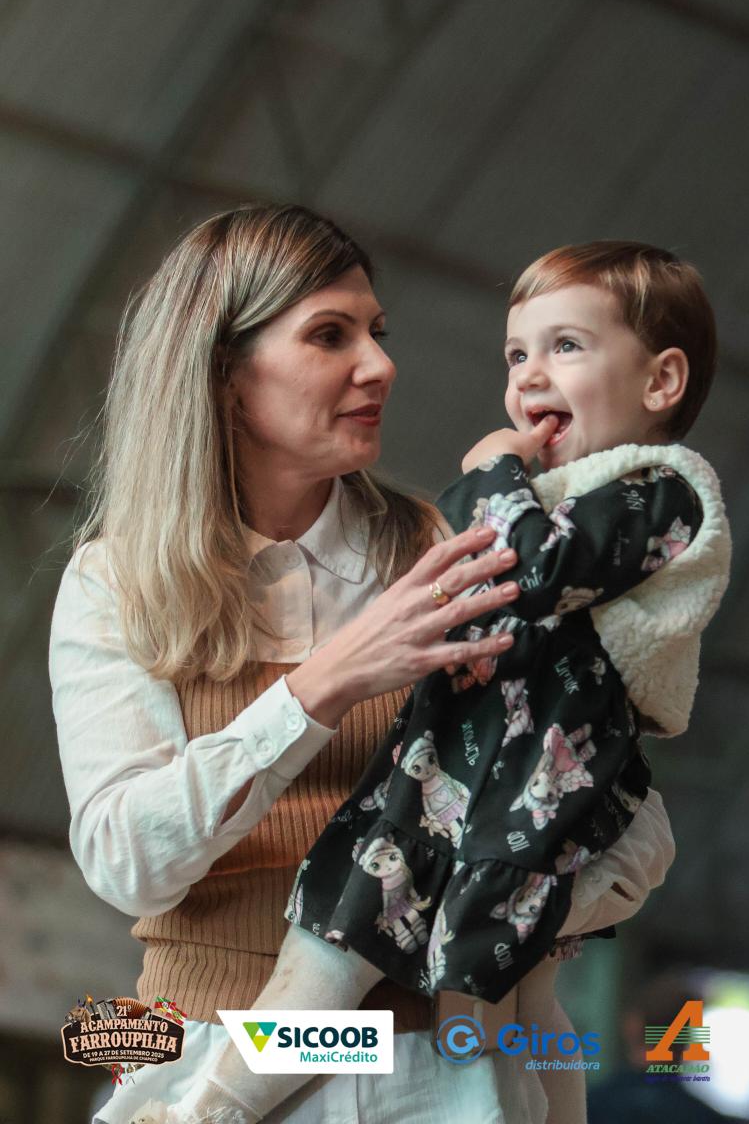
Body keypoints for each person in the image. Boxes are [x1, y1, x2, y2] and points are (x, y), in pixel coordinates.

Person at [51, 208, 678, 1124]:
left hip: (435, 1064)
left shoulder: (462, 548)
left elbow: (627, 817)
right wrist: (324, 684)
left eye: (377, 332)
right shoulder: (116, 580)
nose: (380, 365)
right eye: (330, 335)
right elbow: (128, 867)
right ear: (223, 373)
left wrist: (511, 900)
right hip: (207, 1048)